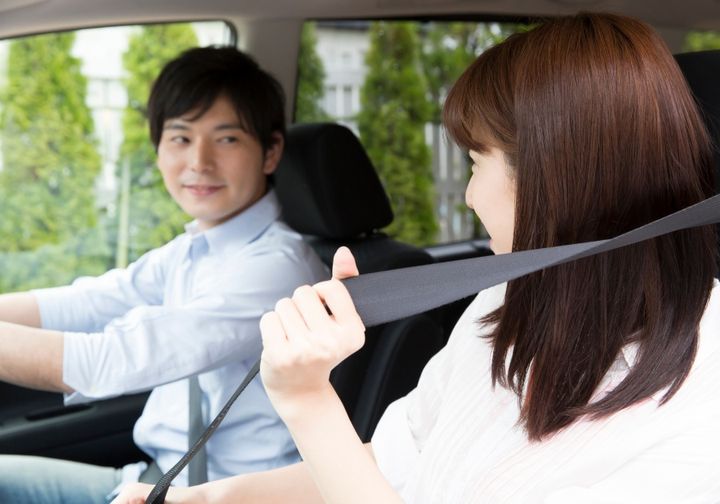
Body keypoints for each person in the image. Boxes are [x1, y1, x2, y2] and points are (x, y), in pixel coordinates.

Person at [114, 12, 720, 504]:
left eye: (476, 163)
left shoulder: (701, 410)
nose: (468, 196)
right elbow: (389, 465)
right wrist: (199, 499)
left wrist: (307, 401)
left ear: (556, 177)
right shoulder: (505, 302)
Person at [0, 46, 327, 503]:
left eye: (226, 139)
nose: (199, 162)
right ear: (158, 148)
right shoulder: (193, 250)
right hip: (155, 480)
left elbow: (107, 361)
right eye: (180, 138)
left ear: (270, 152)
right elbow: (87, 302)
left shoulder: (276, 269)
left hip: (226, 495)